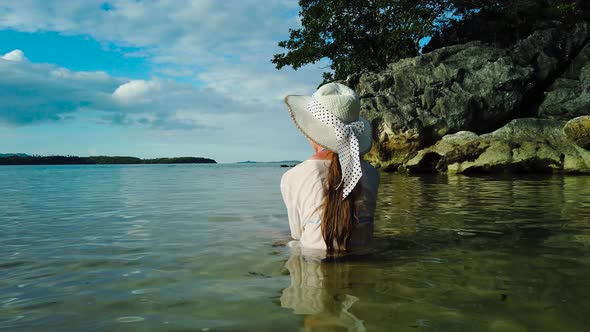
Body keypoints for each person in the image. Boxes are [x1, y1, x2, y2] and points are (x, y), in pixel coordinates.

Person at [281, 82, 380, 255]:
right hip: (364, 258)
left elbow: (297, 235)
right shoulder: (372, 173)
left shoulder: (292, 177)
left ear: (311, 132)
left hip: (314, 262)